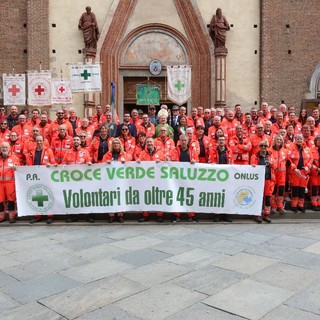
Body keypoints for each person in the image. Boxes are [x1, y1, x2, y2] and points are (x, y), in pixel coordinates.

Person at [26, 135, 56, 224]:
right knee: (36, 195)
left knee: (48, 195)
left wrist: (50, 165)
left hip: (46, 177)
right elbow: (28, 165)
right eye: (37, 141)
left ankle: (50, 216)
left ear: (44, 141)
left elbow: (53, 163)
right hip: (36, 177)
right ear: (35, 141)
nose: (39, 142)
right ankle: (37, 216)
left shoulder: (49, 151)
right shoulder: (32, 152)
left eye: (40, 141)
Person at [169, 134, 199, 223]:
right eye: (182, 140)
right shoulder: (174, 150)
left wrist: (195, 161)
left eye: (185, 140)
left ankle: (191, 215)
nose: (183, 142)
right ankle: (176, 215)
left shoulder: (192, 150)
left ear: (188, 141)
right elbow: (170, 160)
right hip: (177, 177)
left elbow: (197, 160)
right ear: (179, 141)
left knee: (189, 195)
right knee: (177, 195)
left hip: (189, 177)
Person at [136, 137, 165, 223]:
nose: (149, 143)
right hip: (146, 179)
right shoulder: (142, 153)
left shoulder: (160, 153)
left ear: (154, 143)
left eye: (150, 142)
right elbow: (138, 162)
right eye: (147, 142)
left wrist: (161, 161)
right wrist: (137, 161)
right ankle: (145, 215)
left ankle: (159, 215)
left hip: (158, 179)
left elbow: (165, 163)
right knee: (145, 196)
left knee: (158, 196)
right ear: (145, 144)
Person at [102, 138, 130, 223]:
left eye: (117, 143)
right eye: (114, 143)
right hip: (110, 180)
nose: (116, 144)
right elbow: (102, 165)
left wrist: (125, 163)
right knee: (111, 197)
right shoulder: (107, 154)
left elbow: (129, 166)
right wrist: (106, 163)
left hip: (121, 180)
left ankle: (120, 215)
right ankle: (111, 215)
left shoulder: (124, 154)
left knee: (120, 197)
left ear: (120, 144)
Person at [287, 134, 312, 212]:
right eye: (298, 139)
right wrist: (293, 167)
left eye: (301, 139)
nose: (299, 140)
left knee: (302, 189)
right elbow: (288, 158)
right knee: (295, 189)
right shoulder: (291, 148)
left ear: (303, 140)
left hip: (304, 172)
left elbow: (311, 158)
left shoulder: (307, 149)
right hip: (295, 172)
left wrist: (308, 165)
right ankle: (294, 205)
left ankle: (301, 205)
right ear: (295, 139)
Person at [251, 141, 275, 223]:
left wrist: (271, 164)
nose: (263, 147)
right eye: (262, 146)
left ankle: (266, 214)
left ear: (267, 147)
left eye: (265, 146)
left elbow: (275, 166)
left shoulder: (270, 155)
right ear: (259, 146)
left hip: (268, 179)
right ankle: (257, 215)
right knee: (258, 197)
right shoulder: (255, 156)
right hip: (258, 180)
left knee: (267, 197)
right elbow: (252, 166)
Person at [0, 142, 20, 223]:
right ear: (0, 149)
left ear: (9, 148)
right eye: (3, 147)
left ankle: (12, 216)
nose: (4, 149)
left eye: (6, 147)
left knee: (11, 200)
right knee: (0, 201)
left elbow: (19, 170)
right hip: (0, 183)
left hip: (10, 183)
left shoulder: (15, 158)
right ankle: (1, 217)